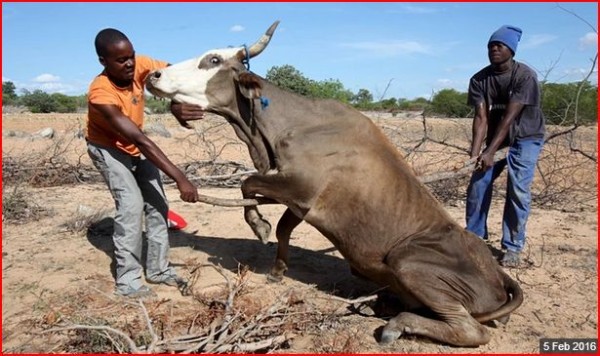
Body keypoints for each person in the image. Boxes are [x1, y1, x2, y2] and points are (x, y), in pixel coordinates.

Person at [86, 28, 205, 298]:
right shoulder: (100, 94)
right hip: (108, 148)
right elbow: (140, 140)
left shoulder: (140, 65)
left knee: (158, 204)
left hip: (134, 145)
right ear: (103, 61)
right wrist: (180, 178)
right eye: (120, 60)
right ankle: (128, 282)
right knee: (130, 207)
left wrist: (176, 102)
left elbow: (176, 75)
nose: (129, 64)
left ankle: (158, 270)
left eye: (131, 56)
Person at [465, 25, 546, 268]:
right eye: (491, 46)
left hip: (526, 136)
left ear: (511, 49)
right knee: (478, 182)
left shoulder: (525, 76)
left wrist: (490, 152)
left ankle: (512, 247)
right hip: (497, 137)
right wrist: (475, 154)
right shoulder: (479, 79)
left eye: (499, 45)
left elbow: (510, 117)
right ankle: (474, 238)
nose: (494, 50)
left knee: (517, 188)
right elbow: (481, 118)